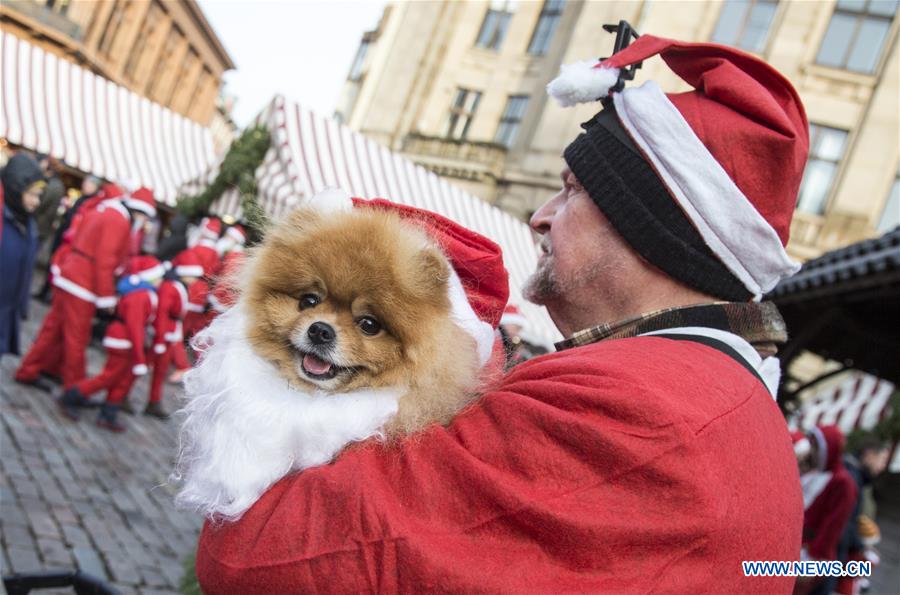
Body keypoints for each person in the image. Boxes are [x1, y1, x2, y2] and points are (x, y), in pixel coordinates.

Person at [195, 34, 807, 592]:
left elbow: (256, 557)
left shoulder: (632, 407)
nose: (541, 215)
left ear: (645, 229)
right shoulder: (702, 385)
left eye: (571, 191)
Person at [15, 184, 157, 391]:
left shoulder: (104, 211)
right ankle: (74, 387)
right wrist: (107, 296)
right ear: (140, 212)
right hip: (83, 284)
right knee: (77, 337)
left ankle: (31, 369)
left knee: (52, 330)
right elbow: (105, 260)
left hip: (71, 275)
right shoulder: (118, 221)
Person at [58, 255, 165, 431]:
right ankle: (72, 395)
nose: (162, 280)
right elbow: (135, 327)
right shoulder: (142, 296)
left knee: (120, 380)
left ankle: (109, 413)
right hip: (123, 342)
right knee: (109, 377)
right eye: (158, 276)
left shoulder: (146, 294)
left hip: (126, 341)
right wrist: (139, 356)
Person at [795, 426, 858, 595]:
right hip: (797, 547)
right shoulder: (814, 473)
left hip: (811, 553)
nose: (812, 451)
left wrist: (813, 561)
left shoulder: (843, 482)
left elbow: (833, 525)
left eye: (816, 446)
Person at [143, 250, 204, 418]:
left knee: (160, 370)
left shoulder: (179, 286)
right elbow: (162, 313)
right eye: (192, 275)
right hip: (164, 334)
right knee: (143, 367)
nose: (194, 280)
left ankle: (153, 401)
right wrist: (161, 338)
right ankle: (121, 397)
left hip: (170, 332)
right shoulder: (171, 288)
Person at [1, 154, 45, 357]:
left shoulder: (28, 224)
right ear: (16, 187)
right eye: (32, 194)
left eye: (39, 195)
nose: (36, 202)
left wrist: (21, 306)